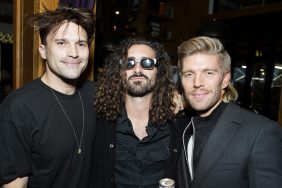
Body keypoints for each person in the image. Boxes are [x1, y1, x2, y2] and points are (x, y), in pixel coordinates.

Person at [0, 4, 96, 188]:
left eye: (81, 44)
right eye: (61, 43)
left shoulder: (97, 94)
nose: (74, 53)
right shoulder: (18, 108)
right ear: (43, 51)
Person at [176, 36, 282, 187]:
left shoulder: (260, 132)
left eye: (208, 73)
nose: (197, 83)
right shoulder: (179, 124)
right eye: (189, 74)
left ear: (225, 79)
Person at [92, 37, 185, 187]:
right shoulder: (100, 120)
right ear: (120, 71)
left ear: (158, 71)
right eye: (129, 63)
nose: (137, 70)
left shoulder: (178, 122)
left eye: (146, 63)